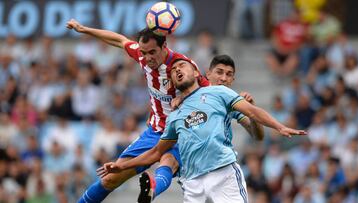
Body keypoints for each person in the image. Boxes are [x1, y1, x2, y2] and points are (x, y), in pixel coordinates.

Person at [97, 58, 307, 203]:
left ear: (197, 73)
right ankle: (154, 187)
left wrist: (279, 126)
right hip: (192, 180)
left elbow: (255, 123)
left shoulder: (221, 95)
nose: (224, 78)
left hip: (222, 171)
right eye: (174, 69)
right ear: (207, 73)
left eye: (229, 75)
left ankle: (155, 186)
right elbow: (155, 152)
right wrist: (120, 165)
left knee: (169, 161)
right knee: (167, 159)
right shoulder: (175, 115)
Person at [66, 19, 209, 203]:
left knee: (168, 162)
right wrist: (84, 29)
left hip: (182, 133)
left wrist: (181, 98)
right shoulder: (142, 56)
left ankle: (149, 192)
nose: (148, 57)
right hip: (156, 130)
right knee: (110, 177)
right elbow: (119, 40)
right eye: (144, 53)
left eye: (152, 52)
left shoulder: (182, 66)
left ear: (164, 46)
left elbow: (208, 92)